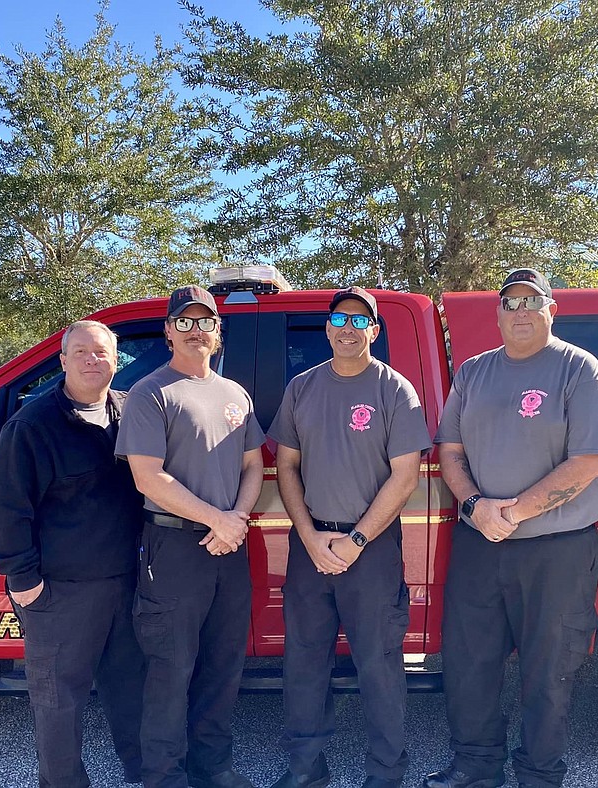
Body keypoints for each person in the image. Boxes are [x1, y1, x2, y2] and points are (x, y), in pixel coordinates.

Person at [423, 269, 598, 788]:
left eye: (533, 301)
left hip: (557, 549)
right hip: (480, 543)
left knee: (549, 670)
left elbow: (589, 461)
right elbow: (450, 450)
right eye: (511, 302)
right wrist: (475, 507)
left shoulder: (578, 370)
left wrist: (512, 512)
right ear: (498, 313)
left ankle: (539, 772)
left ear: (551, 308)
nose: (521, 311)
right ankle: (476, 764)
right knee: (469, 664)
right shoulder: (473, 372)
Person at [266, 287, 432, 788]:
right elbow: (286, 465)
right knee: (304, 661)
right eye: (340, 319)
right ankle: (305, 769)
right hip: (309, 545)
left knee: (379, 666)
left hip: (373, 549)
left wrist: (355, 540)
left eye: (360, 322)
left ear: (374, 333)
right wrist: (312, 537)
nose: (348, 328)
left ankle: (385, 774)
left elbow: (405, 476)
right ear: (327, 327)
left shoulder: (394, 390)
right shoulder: (302, 388)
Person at [0, 319, 145, 788]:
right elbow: (3, 511)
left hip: (125, 581)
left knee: (131, 686)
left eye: (103, 352)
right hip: (60, 590)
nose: (94, 360)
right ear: (63, 360)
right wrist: (24, 580)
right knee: (58, 700)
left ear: (117, 360)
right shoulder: (33, 424)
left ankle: (143, 768)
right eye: (83, 352)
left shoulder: (129, 412)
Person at [116, 285, 265, 788]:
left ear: (218, 333)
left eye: (206, 322)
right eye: (185, 322)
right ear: (168, 332)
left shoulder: (235, 394)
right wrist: (215, 520)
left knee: (223, 665)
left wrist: (235, 520)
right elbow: (148, 477)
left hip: (229, 546)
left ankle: (213, 766)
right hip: (174, 548)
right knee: (170, 670)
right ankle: (164, 775)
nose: (196, 330)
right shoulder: (151, 393)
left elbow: (253, 465)